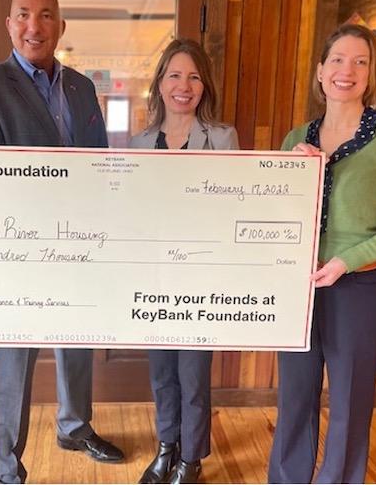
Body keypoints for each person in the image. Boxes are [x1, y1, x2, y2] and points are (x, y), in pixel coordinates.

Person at [0, 0, 124, 484]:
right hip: (17, 251)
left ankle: (74, 426)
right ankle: (7, 467)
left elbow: (98, 163)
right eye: (24, 15)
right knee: (14, 357)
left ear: (60, 26)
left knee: (77, 339)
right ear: (10, 24)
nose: (35, 26)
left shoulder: (80, 86)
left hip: (79, 242)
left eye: (46, 15)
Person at [268, 24, 376, 483]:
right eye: (338, 59)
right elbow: (275, 216)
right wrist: (291, 172)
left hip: (359, 288)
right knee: (294, 398)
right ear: (320, 71)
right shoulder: (296, 136)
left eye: (361, 61)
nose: (348, 70)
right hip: (298, 287)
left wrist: (347, 260)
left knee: (348, 406)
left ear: (371, 73)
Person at [129, 38, 239, 484]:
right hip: (154, 277)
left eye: (194, 76)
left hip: (201, 276)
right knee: (161, 372)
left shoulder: (222, 137)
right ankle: (166, 446)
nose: (184, 84)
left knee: (193, 375)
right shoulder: (138, 143)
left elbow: (232, 204)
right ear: (159, 83)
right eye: (175, 74)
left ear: (204, 86)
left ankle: (192, 458)